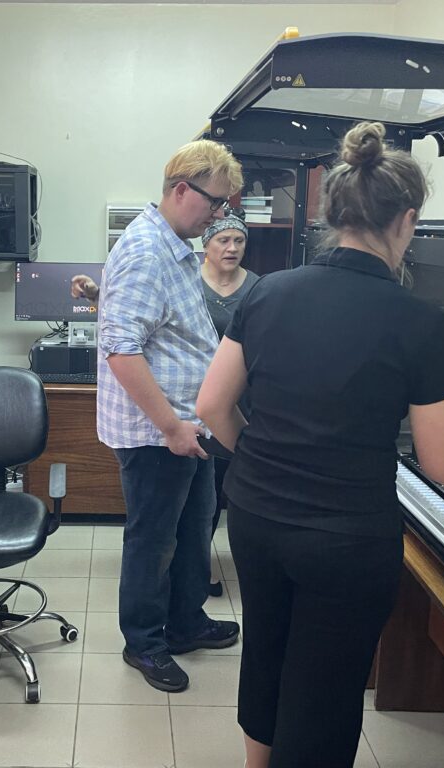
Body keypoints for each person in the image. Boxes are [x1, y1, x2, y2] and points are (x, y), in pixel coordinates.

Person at [196, 121, 444, 768]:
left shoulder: (268, 292)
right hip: (343, 540)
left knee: (269, 654)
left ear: (334, 214)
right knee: (322, 694)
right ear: (406, 221)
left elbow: (211, 406)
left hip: (256, 516)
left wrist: (262, 460)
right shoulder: (418, 323)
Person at [97, 139, 243, 693]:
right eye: (214, 203)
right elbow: (122, 350)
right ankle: (145, 642)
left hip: (189, 425)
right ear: (181, 190)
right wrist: (171, 427)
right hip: (158, 433)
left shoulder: (174, 244)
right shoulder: (146, 252)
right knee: (153, 540)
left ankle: (185, 623)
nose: (217, 216)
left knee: (194, 528)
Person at [198, 210, 258, 597]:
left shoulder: (258, 288)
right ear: (206, 245)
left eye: (239, 241)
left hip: (243, 407)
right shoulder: (189, 284)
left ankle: (252, 569)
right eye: (224, 240)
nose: (232, 247)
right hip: (196, 405)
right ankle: (195, 571)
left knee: (234, 491)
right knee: (200, 505)